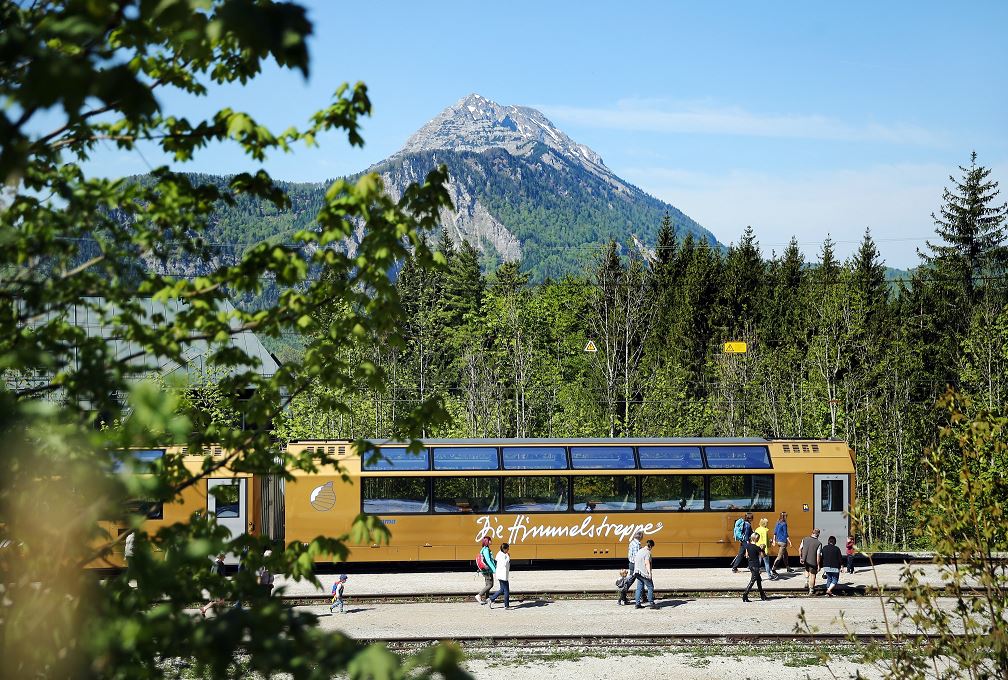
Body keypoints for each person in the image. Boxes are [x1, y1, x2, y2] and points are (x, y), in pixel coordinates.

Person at [742, 532, 768, 602]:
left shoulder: (748, 546)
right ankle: (745, 595)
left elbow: (746, 555)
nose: (759, 539)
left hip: (750, 565)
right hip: (755, 566)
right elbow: (763, 556)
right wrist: (762, 549)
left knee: (759, 581)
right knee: (753, 580)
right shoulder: (757, 548)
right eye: (758, 538)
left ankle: (763, 596)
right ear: (756, 538)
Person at [634, 539, 656, 609]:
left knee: (639, 588)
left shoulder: (639, 551)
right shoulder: (647, 552)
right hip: (643, 573)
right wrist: (649, 573)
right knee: (650, 587)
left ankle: (637, 604)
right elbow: (647, 563)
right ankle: (651, 603)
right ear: (651, 546)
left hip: (637, 572)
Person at [799, 528, 822, 595]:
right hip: (813, 561)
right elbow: (818, 555)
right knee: (813, 575)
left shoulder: (804, 539)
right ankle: (811, 590)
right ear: (818, 534)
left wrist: (801, 557)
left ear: (812, 533)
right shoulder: (818, 543)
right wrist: (818, 565)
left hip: (805, 560)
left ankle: (806, 582)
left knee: (806, 569)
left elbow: (800, 549)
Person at [489, 542, 511, 609]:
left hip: (499, 574)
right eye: (507, 549)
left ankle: (491, 599)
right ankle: (506, 605)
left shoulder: (499, 553)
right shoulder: (504, 555)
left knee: (502, 589)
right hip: (503, 575)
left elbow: (496, 561)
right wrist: (508, 557)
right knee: (506, 590)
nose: (508, 550)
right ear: (504, 549)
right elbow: (505, 564)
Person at [475, 536, 496, 604]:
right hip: (487, 570)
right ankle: (479, 595)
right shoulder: (486, 550)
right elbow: (488, 561)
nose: (491, 541)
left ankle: (487, 598)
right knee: (490, 585)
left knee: (487, 584)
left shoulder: (483, 549)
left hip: (485, 569)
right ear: (487, 541)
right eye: (490, 540)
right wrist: (494, 569)